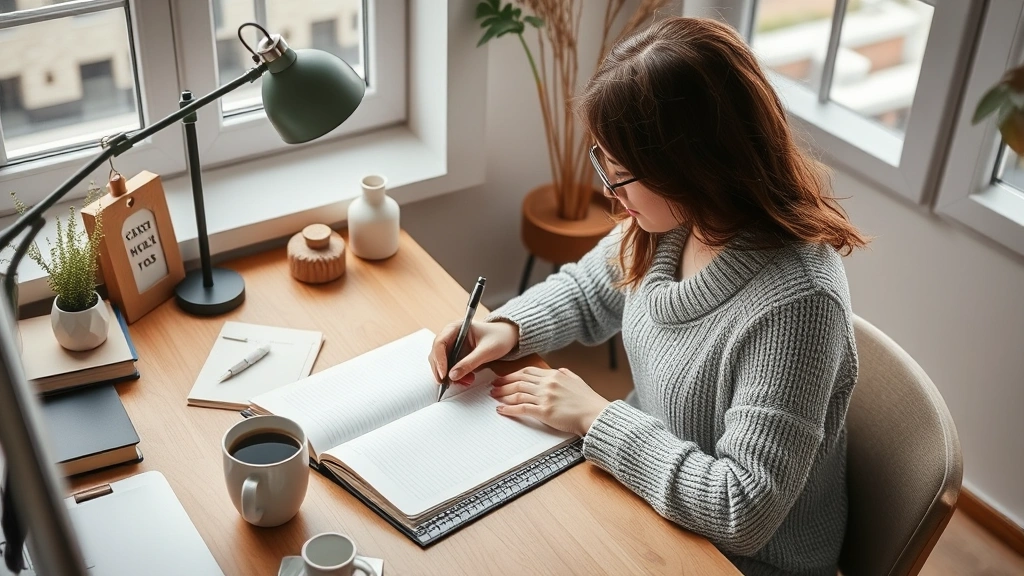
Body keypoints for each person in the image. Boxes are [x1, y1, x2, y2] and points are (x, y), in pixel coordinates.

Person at [428, 16, 868, 576]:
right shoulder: (676, 220)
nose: (609, 189)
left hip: (739, 560)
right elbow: (591, 289)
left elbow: (743, 510)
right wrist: (507, 328)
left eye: (622, 173)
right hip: (649, 501)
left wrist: (596, 417)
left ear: (693, 168)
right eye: (604, 162)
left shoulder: (799, 303)